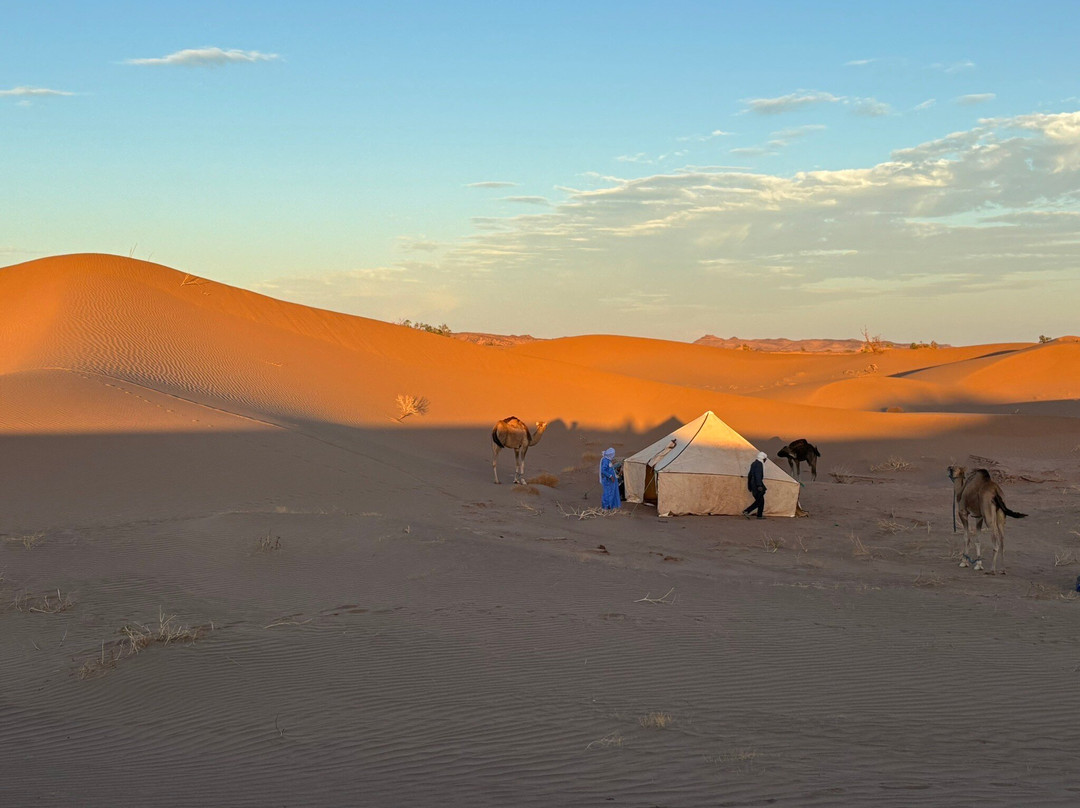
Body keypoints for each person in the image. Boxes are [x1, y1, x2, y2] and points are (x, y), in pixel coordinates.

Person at [742, 451, 768, 519]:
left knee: (761, 500)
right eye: (765, 459)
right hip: (756, 484)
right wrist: (759, 485)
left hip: (753, 483)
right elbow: (758, 475)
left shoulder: (754, 463)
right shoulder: (759, 464)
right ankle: (747, 511)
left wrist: (749, 485)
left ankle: (759, 515)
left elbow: (750, 475)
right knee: (759, 500)